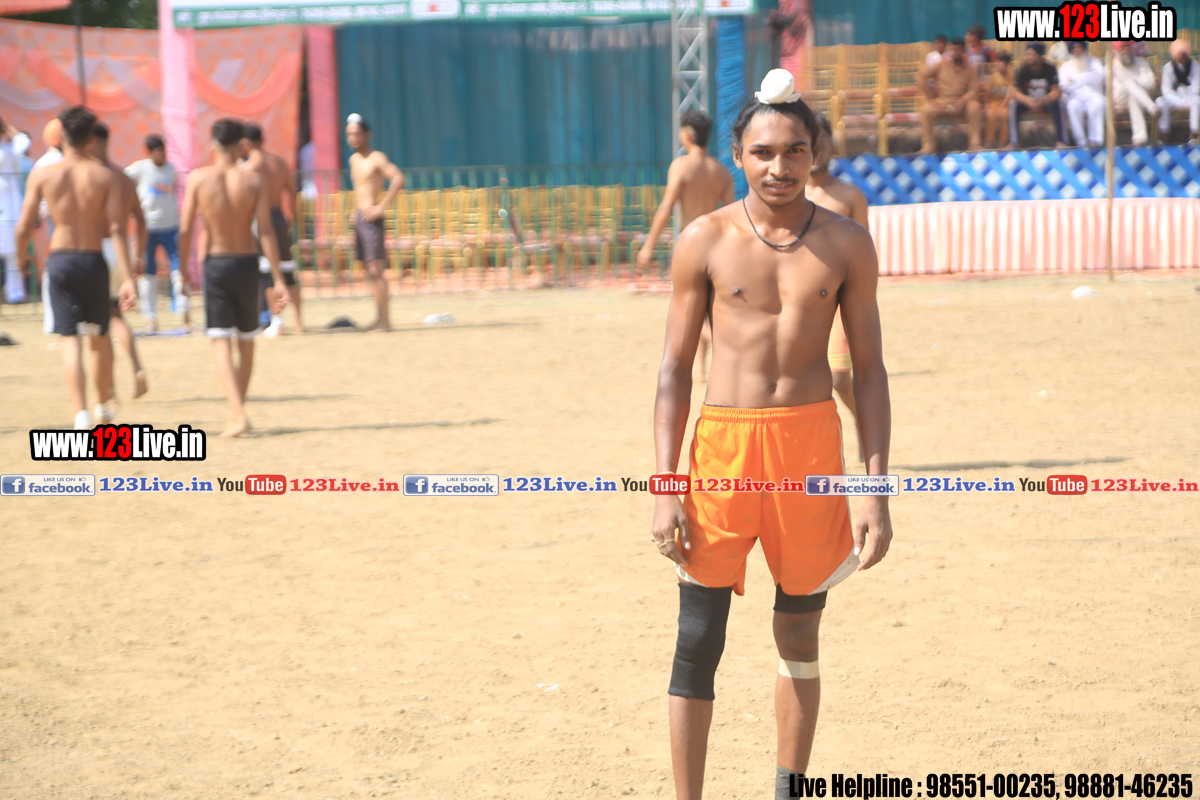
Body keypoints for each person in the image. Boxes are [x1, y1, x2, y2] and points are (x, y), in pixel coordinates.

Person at [651, 69, 892, 800]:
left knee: (799, 632)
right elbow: (673, 371)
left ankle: (789, 789)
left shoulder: (847, 244)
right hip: (723, 450)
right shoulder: (704, 240)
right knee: (699, 636)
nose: (779, 167)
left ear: (815, 152)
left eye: (794, 151)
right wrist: (665, 488)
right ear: (738, 154)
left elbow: (870, 372)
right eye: (762, 152)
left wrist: (875, 489)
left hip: (809, 447)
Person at [15, 106, 136, 430]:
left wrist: (21, 257)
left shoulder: (44, 173)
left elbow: (24, 225)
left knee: (70, 339)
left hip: (61, 259)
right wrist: (128, 278)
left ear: (62, 137)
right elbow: (117, 229)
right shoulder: (104, 175)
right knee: (99, 336)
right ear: (92, 139)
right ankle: (102, 407)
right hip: (93, 259)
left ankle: (81, 414)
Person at [178, 118, 287, 438]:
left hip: (216, 263)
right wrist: (279, 277)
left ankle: (237, 413)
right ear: (242, 146)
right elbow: (265, 231)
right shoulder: (254, 181)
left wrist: (182, 270)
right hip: (247, 262)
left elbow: (185, 229)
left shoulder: (198, 179)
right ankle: (237, 411)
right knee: (247, 339)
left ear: (213, 144)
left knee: (220, 339)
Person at [636, 109, 734, 383]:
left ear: (687, 135)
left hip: (689, 243)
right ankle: (700, 372)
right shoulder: (722, 171)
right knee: (708, 305)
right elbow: (731, 213)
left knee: (688, 307)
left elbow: (666, 207)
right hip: (716, 244)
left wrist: (648, 245)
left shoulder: (680, 166)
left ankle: (714, 342)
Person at [806, 113, 867, 461]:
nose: (818, 150)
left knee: (840, 377)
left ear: (832, 147)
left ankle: (862, 422)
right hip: (799, 302)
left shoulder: (849, 196)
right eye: (810, 144)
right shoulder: (791, 197)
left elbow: (865, 253)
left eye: (823, 143)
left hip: (839, 302)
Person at [90, 122, 149, 411]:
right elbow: (141, 220)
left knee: (100, 328)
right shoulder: (123, 177)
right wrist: (137, 257)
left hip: (95, 250)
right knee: (116, 316)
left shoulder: (89, 176)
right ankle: (137, 366)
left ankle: (109, 391)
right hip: (121, 250)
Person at [241, 122, 301, 335]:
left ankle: (277, 321)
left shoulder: (247, 167)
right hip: (279, 217)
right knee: (288, 271)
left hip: (260, 221)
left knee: (268, 271)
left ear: (246, 143)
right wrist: (291, 218)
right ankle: (299, 322)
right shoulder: (279, 164)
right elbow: (292, 193)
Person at [345, 113, 403, 332]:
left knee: (376, 270)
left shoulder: (376, 158)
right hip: (360, 218)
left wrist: (381, 207)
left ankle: (385, 321)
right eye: (349, 135)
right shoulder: (353, 160)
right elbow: (359, 189)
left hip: (372, 219)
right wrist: (355, 211)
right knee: (369, 270)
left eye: (356, 134)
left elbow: (398, 178)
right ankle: (378, 318)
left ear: (366, 135)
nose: (353, 138)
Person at [125, 134, 184, 330]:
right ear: (149, 153)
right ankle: (151, 319)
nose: (163, 154)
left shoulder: (172, 170)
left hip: (170, 228)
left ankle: (184, 314)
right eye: (158, 151)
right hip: (147, 228)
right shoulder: (140, 168)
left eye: (164, 150)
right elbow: (122, 179)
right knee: (148, 273)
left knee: (178, 270)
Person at [918, 37, 983, 153]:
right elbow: (921, 76)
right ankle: (929, 145)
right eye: (953, 49)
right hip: (942, 102)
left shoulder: (970, 68)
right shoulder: (940, 64)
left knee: (975, 107)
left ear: (963, 51)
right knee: (926, 109)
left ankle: (974, 144)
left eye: (958, 50)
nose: (955, 52)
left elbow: (974, 90)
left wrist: (963, 101)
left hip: (961, 103)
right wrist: (930, 96)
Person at [1010, 43, 1066, 148]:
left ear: (1039, 55)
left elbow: (1056, 91)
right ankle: (1014, 142)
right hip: (1028, 102)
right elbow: (1016, 92)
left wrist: (1043, 100)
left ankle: (1060, 140)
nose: (1029, 57)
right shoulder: (1023, 69)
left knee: (1058, 103)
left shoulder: (1050, 68)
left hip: (1045, 101)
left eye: (1032, 54)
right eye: (1028, 54)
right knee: (1013, 104)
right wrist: (1027, 100)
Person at [1, 117, 32, 303]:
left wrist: (7, 129)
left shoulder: (8, 149)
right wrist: (10, 131)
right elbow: (23, 142)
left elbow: (24, 142)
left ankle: (14, 292)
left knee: (13, 250)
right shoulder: (8, 149)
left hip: (9, 203)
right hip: (6, 201)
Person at [1059, 41, 1107, 147]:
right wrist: (1088, 77)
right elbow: (1065, 86)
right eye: (1074, 48)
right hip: (1075, 97)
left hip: (1093, 95)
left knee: (1098, 103)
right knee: (1072, 107)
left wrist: (1075, 80)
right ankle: (1081, 142)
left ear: (1084, 48)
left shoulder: (1094, 62)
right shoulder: (1065, 67)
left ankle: (1095, 141)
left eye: (1079, 47)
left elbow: (1099, 77)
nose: (1076, 50)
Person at [1112, 41, 1159, 147]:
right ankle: (1151, 107)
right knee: (1128, 82)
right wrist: (1135, 83)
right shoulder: (1113, 64)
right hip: (1119, 98)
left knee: (1133, 96)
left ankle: (1139, 138)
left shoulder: (1141, 62)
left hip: (1137, 98)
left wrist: (1137, 84)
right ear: (1117, 50)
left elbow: (1151, 83)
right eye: (1122, 47)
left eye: (1128, 46)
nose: (1126, 49)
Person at [1156, 40, 1200, 144]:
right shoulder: (1168, 68)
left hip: (1189, 97)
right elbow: (1166, 90)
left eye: (1184, 53)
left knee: (1197, 101)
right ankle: (1164, 135)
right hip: (1172, 99)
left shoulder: (1195, 66)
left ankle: (1193, 134)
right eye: (1179, 54)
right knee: (1160, 102)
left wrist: (1183, 91)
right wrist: (1177, 100)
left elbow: (1197, 86)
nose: (1182, 56)